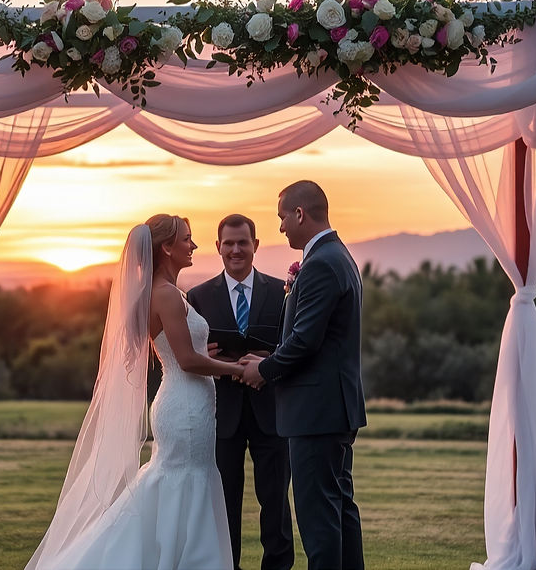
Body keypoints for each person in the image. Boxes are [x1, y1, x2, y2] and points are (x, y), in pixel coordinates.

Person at [27, 214, 246, 570]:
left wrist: (210, 358)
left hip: (185, 405)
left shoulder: (162, 294)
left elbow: (178, 351)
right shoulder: (166, 296)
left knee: (177, 481)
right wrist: (238, 370)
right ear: (167, 248)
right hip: (186, 407)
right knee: (185, 481)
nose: (194, 245)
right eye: (187, 239)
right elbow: (188, 361)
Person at [240, 181, 367, 570]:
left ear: (299, 214)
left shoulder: (321, 264)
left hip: (317, 412)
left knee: (318, 520)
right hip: (332, 409)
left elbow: (304, 342)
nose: (280, 228)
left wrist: (263, 369)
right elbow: (315, 339)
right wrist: (268, 355)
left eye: (282, 217)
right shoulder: (337, 256)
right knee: (340, 508)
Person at [187, 214, 294, 570]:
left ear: (256, 245)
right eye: (228, 243)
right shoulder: (198, 297)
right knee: (224, 504)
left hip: (272, 413)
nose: (236, 250)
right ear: (218, 247)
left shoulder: (282, 293)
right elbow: (188, 355)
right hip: (222, 416)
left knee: (276, 503)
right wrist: (204, 356)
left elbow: (294, 347)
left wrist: (269, 360)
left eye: (242, 242)